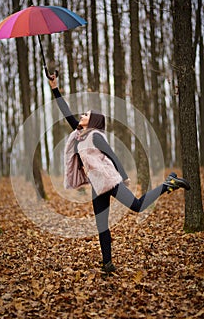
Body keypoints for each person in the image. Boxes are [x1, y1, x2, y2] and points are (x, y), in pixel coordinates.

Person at [49, 74, 190, 274]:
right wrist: (54, 88)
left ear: (94, 121)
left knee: (138, 206)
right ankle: (107, 263)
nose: (81, 116)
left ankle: (168, 184)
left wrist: (123, 177)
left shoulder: (96, 136)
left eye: (86, 115)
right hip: (97, 186)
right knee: (101, 226)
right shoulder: (80, 136)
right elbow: (66, 113)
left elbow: (112, 155)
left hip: (110, 180)